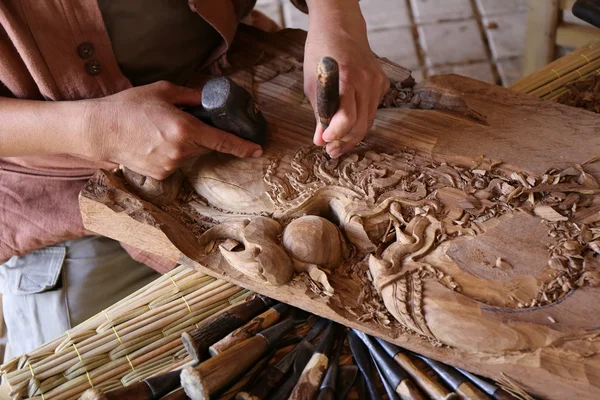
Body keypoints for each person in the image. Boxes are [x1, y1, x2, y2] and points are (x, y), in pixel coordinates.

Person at [0, 0, 390, 358]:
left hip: (232, 85)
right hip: (62, 186)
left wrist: (337, 19)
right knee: (78, 365)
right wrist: (90, 128)